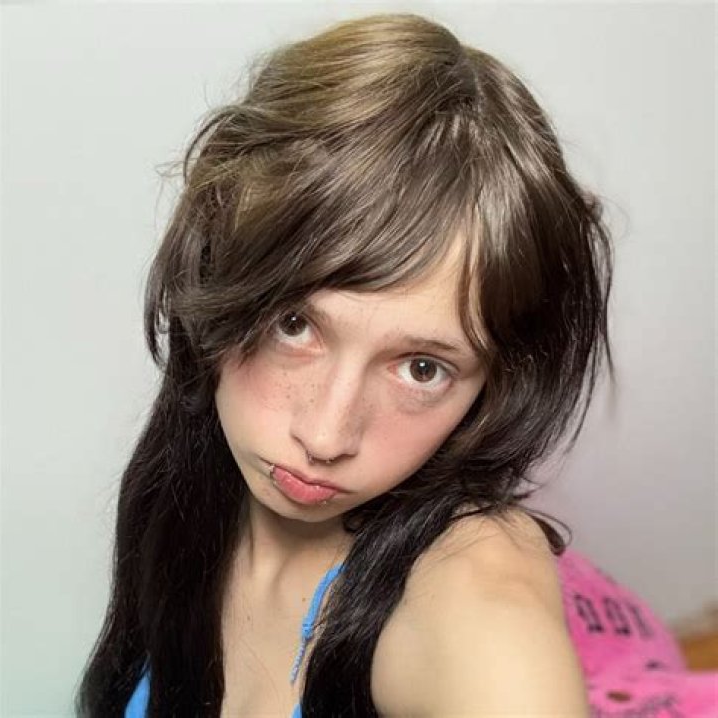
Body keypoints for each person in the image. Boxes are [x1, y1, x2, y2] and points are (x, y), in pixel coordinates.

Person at [76, 12, 614, 717]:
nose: (326, 436)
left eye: (421, 368)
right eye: (294, 325)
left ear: (494, 382)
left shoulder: (467, 581)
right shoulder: (183, 492)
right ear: (213, 271)